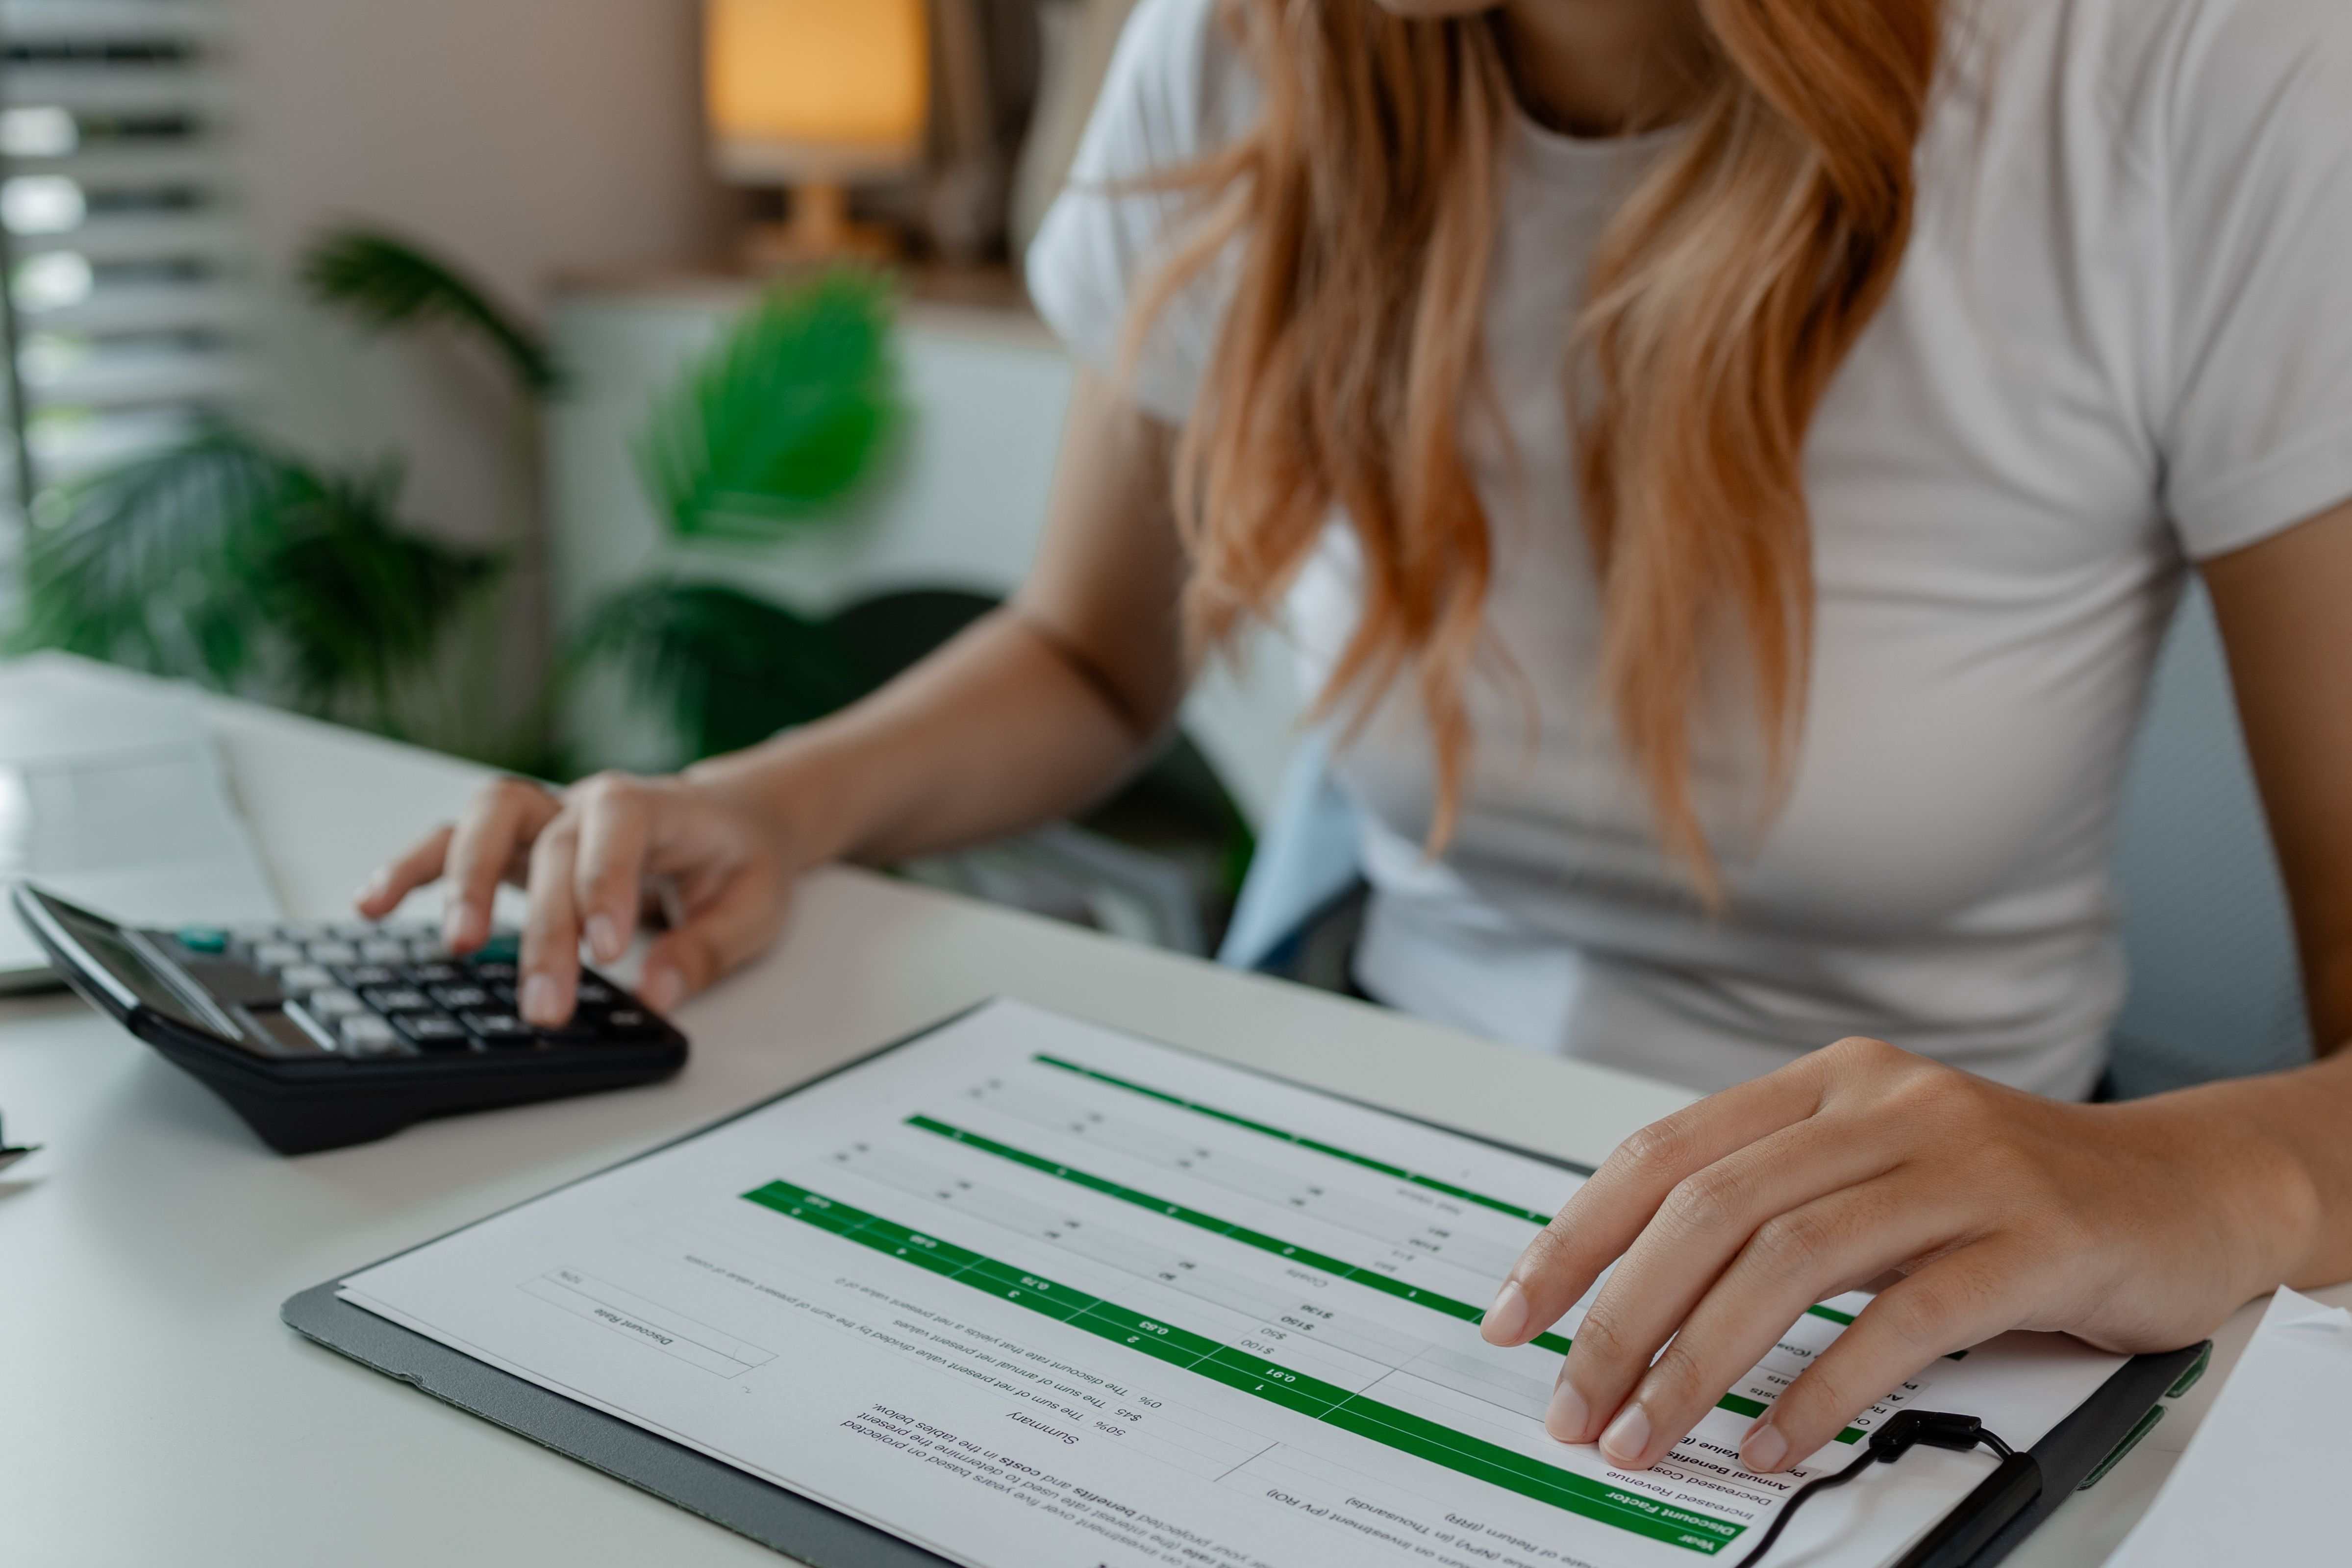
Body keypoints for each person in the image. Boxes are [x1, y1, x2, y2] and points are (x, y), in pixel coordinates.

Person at [360, 0, 2352, 1481]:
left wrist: (2210, 1173)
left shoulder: (2197, 72)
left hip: (1923, 1293)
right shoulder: (1248, 49)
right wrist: (770, 797)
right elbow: (1087, 653)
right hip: (1357, 1171)